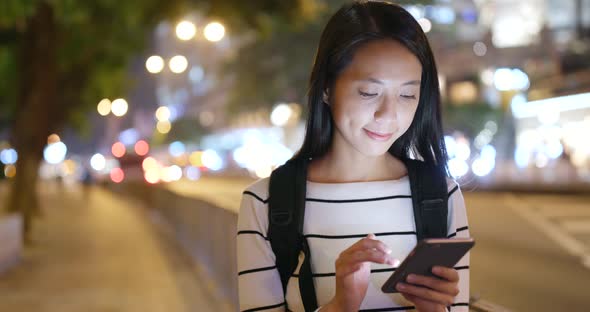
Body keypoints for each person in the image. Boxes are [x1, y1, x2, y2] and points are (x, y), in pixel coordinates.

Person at [236, 1, 470, 311]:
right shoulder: (267, 203)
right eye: (369, 92)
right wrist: (341, 304)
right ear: (327, 89)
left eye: (407, 94)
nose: (388, 115)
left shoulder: (441, 196)